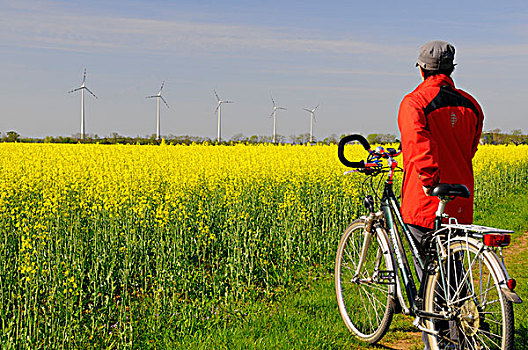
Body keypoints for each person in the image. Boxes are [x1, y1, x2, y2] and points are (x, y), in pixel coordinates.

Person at [397, 40, 484, 348]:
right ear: (451, 68)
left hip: (427, 202)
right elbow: (469, 149)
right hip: (461, 198)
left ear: (421, 69)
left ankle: (439, 342)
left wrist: (429, 181)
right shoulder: (472, 104)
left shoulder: (415, 102)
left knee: (431, 276)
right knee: (454, 272)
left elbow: (419, 150)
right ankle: (462, 338)